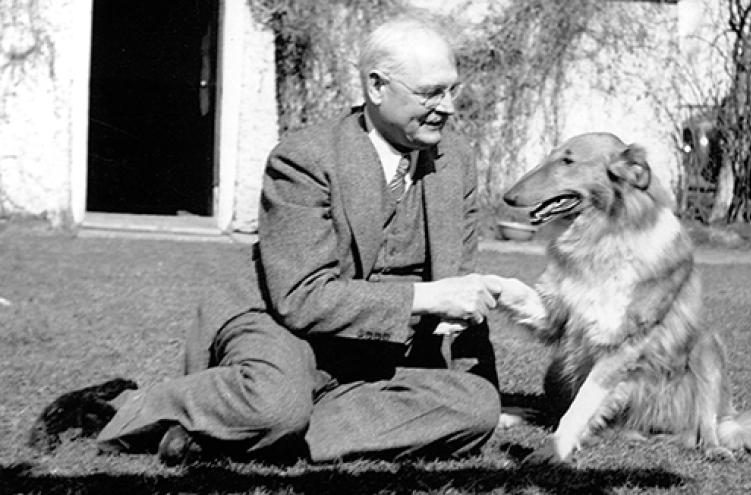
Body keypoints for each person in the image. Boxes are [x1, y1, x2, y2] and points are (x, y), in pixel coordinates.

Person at [32, 17, 504, 465]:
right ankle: (124, 406)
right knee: (276, 404)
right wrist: (426, 297)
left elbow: (458, 294)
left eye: (452, 90)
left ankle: (254, 433)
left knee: (477, 407)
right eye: (431, 93)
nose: (449, 107)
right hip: (277, 321)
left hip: (370, 355)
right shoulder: (305, 158)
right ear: (376, 87)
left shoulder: (455, 161)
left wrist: (475, 384)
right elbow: (302, 299)